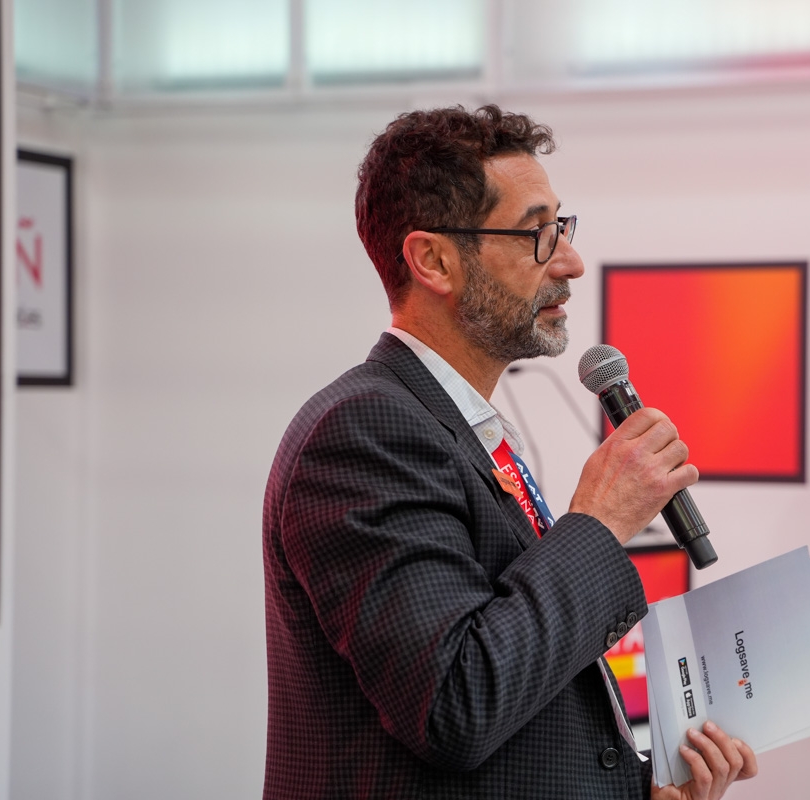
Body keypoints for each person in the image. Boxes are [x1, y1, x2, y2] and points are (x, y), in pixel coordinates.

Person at [261, 105, 757, 800]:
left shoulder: (459, 429)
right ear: (433, 260)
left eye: (563, 228)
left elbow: (522, 694)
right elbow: (455, 704)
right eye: (537, 234)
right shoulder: (364, 432)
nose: (571, 262)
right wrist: (599, 523)